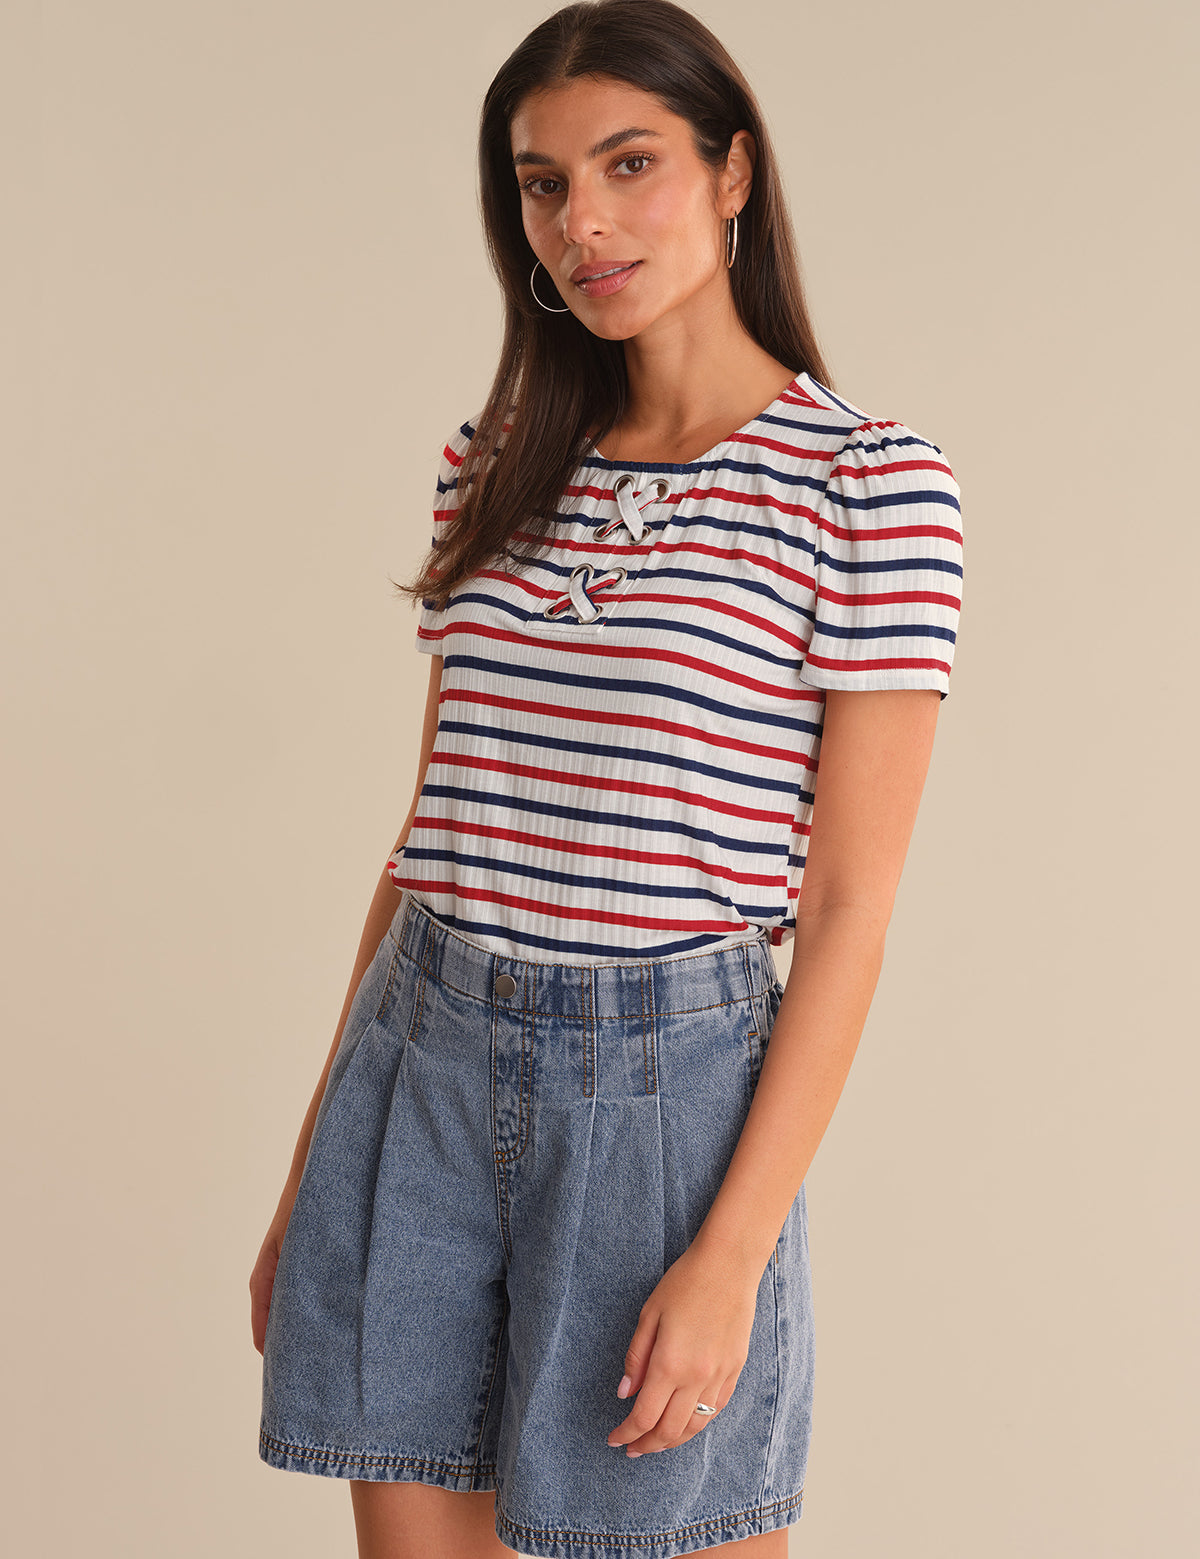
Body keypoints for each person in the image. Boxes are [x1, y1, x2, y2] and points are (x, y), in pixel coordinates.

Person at [249, 2, 964, 1555]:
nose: (581, 223)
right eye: (540, 183)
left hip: (666, 1108)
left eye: (628, 164)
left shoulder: (866, 484)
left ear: (731, 174)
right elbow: (430, 829)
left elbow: (846, 908)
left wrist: (732, 1256)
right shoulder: (495, 455)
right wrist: (318, 1161)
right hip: (417, 1069)